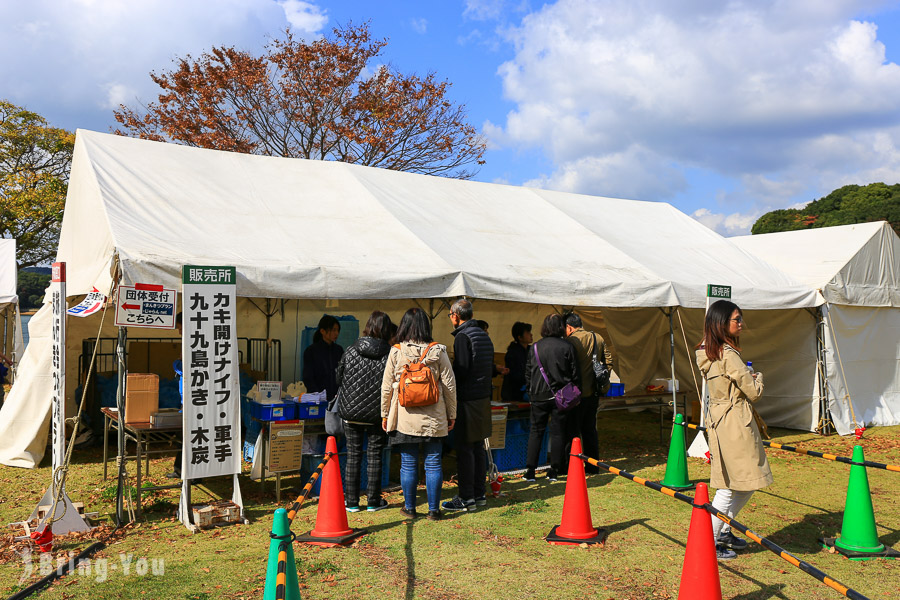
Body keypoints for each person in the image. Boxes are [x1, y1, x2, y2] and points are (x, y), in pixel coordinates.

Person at [696, 299, 771, 561]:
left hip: (721, 419)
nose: (741, 323)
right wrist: (757, 376)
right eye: (736, 319)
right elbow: (753, 392)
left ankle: (723, 530)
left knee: (745, 481)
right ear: (721, 323)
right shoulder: (728, 354)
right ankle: (710, 539)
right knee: (731, 486)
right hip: (735, 422)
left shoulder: (708, 351)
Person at [381, 308, 456, 520]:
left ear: (404, 325)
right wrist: (452, 414)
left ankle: (410, 508)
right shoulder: (438, 351)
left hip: (405, 416)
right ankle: (434, 510)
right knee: (433, 462)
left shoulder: (396, 351)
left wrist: (385, 414)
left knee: (408, 463)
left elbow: (387, 386)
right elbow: (450, 385)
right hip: (433, 417)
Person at [335, 311, 394, 512]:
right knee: (375, 455)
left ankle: (351, 502)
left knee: (353, 455)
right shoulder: (390, 353)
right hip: (377, 413)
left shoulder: (351, 350)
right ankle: (373, 501)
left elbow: (338, 378)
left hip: (351, 412)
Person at [442, 299, 494, 513]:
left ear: (455, 315)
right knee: (478, 446)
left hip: (468, 398)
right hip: (483, 397)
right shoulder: (483, 335)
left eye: (450, 315)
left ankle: (466, 497)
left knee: (465, 448)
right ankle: (479, 493)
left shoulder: (463, 337)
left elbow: (461, 369)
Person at [524, 313, 579, 482]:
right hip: (560, 396)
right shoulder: (567, 346)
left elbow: (528, 373)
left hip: (538, 396)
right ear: (561, 327)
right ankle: (554, 470)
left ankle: (530, 471)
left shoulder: (534, 347)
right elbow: (575, 374)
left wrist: (531, 391)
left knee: (536, 432)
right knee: (557, 433)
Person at [564, 312, 614, 474]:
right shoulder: (597, 337)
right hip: (593, 392)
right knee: (590, 430)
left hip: (574, 393)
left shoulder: (570, 341)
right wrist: (601, 378)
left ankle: (571, 465)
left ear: (569, 327)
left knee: (572, 431)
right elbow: (609, 361)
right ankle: (593, 465)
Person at [303, 314, 343, 402]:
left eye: (337, 330)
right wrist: (317, 395)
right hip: (318, 399)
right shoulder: (311, 351)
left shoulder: (339, 350)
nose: (336, 333)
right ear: (323, 331)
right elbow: (308, 377)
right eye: (333, 330)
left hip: (336, 397)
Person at [501, 322, 532, 403]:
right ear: (520, 337)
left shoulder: (531, 350)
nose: (531, 334)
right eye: (528, 333)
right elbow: (515, 374)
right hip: (514, 394)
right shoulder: (512, 353)